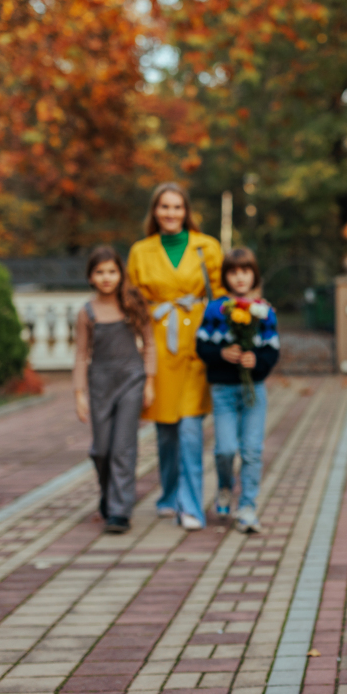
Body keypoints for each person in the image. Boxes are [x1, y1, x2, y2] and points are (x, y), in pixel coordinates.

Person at [127, 182, 223, 531]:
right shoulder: (141, 251)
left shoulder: (207, 247)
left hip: (196, 345)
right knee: (166, 429)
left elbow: (222, 295)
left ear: (186, 211)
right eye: (164, 207)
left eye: (177, 207)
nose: (170, 213)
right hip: (158, 344)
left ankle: (191, 505)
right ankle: (168, 495)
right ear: (155, 212)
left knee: (190, 428)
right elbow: (133, 301)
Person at [195, 247, 280, 534]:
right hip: (223, 391)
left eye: (245, 271)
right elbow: (202, 346)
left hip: (253, 390)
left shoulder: (264, 311)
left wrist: (256, 362)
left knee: (252, 451)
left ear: (253, 274)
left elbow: (271, 351)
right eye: (233, 271)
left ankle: (247, 508)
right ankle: (224, 486)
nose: (240, 277)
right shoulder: (215, 309)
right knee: (225, 450)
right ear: (225, 276)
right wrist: (222, 353)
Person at [73, 246, 156, 534]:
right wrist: (79, 394)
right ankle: (108, 495)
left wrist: (150, 382)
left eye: (112, 271)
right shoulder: (87, 313)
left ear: (121, 274)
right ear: (90, 277)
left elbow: (150, 344)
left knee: (123, 448)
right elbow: (82, 355)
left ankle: (120, 511)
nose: (107, 277)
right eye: (100, 272)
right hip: (100, 384)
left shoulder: (133, 304)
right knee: (102, 450)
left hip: (131, 380)